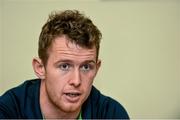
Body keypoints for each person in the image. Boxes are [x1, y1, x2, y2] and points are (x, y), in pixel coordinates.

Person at [0, 10, 129, 119]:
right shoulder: (8, 110)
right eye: (64, 66)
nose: (76, 81)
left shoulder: (111, 114)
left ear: (97, 68)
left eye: (86, 67)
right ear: (40, 68)